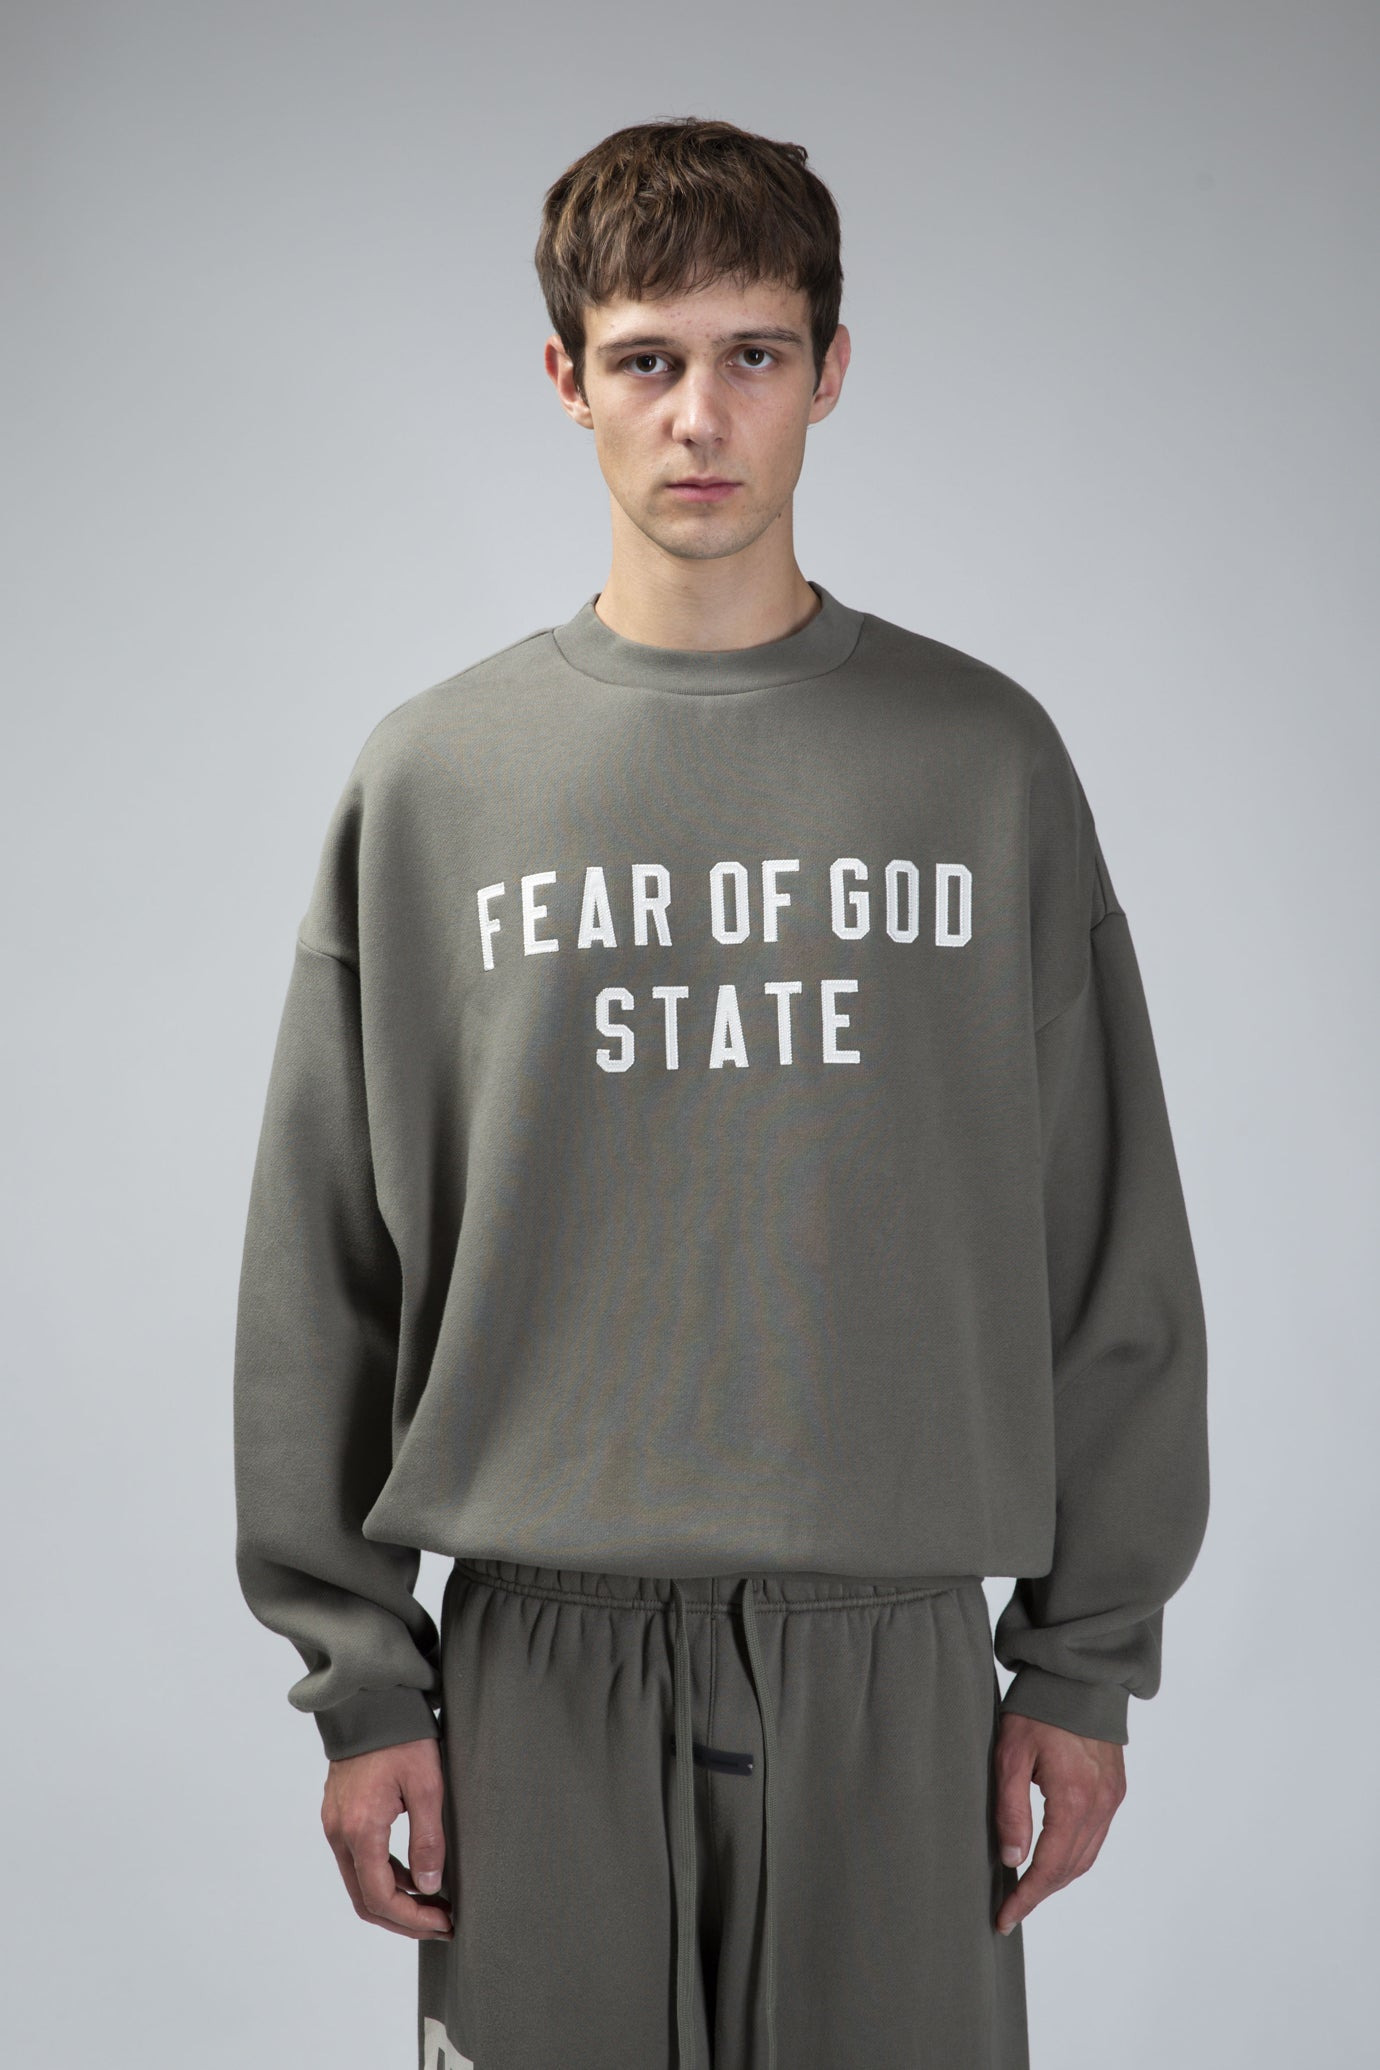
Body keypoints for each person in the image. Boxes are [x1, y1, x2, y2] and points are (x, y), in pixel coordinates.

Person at [233, 116, 1210, 2070]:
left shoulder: (982, 763)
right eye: (649, 359)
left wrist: (1083, 1663)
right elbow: (326, 1260)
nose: (701, 418)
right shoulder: (436, 781)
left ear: (830, 371)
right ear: (567, 377)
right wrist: (363, 1678)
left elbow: (1106, 1233)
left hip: (894, 1664)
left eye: (754, 354)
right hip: (536, 1667)